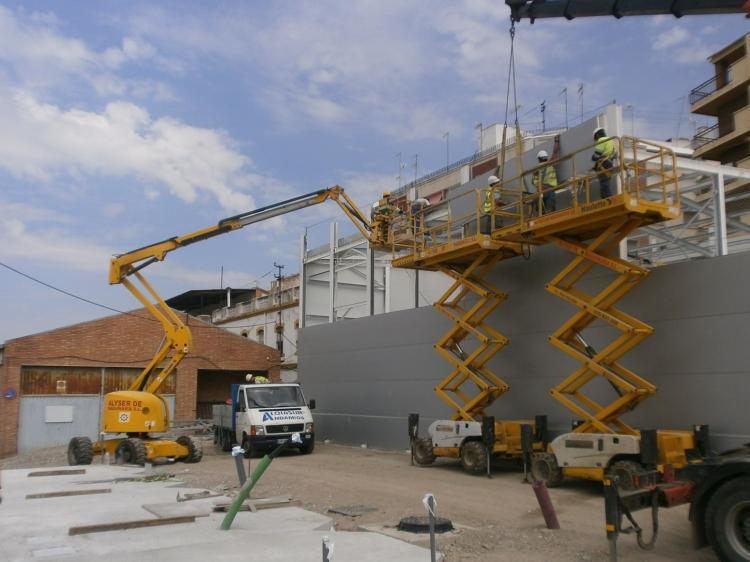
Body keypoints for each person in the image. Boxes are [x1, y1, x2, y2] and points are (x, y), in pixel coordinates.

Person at [592, 127, 616, 199]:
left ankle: (607, 200)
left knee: (604, 183)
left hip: (603, 164)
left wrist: (593, 158)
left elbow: (596, 155)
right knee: (606, 182)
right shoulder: (610, 140)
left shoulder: (601, 140)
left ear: (598, 135)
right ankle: (607, 198)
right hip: (610, 163)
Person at [532, 148, 558, 214]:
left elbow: (534, 182)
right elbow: (554, 155)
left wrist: (539, 187)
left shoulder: (536, 169)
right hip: (550, 189)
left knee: (541, 211)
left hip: (540, 190)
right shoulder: (550, 164)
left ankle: (542, 213)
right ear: (546, 157)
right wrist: (557, 142)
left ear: (539, 159)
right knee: (551, 211)